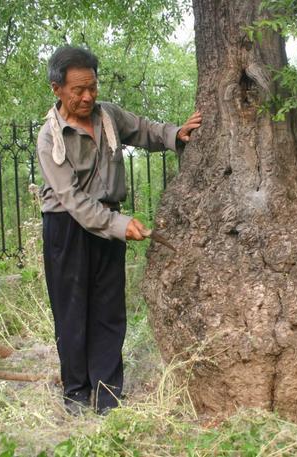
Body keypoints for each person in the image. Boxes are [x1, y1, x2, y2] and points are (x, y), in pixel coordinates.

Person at [36, 46, 201, 415]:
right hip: (67, 226)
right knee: (72, 310)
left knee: (109, 310)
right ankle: (76, 393)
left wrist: (177, 133)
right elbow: (72, 200)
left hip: (107, 224)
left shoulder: (108, 115)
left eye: (92, 87)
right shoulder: (49, 138)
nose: (87, 96)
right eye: (78, 90)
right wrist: (119, 224)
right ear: (56, 89)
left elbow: (144, 130)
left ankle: (108, 394)